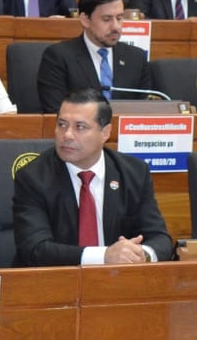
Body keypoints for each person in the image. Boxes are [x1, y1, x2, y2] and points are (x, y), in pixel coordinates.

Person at [13, 89, 173, 267]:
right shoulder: (33, 177)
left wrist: (141, 255)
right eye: (62, 124)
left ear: (105, 133)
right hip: (55, 284)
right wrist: (105, 256)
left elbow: (160, 238)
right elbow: (36, 250)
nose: (67, 135)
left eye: (80, 127)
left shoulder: (134, 173)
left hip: (118, 283)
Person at [38, 0, 152, 113]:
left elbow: (144, 112)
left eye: (119, 18)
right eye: (106, 19)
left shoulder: (136, 58)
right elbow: (55, 112)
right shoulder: (58, 57)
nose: (116, 27)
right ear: (85, 20)